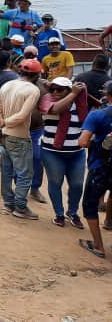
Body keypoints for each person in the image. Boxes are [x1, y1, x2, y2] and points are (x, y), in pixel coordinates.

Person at [0, 59, 44, 219]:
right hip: (19, 136)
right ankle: (20, 207)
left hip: (3, 135)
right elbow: (22, 116)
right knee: (25, 174)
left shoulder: (7, 85)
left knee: (7, 171)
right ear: (36, 74)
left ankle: (8, 204)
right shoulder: (33, 90)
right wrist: (5, 124)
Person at [38, 76, 88, 228]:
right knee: (55, 182)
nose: (54, 92)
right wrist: (73, 94)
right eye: (52, 88)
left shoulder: (80, 103)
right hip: (52, 151)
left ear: (68, 90)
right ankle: (59, 214)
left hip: (76, 152)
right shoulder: (47, 100)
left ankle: (72, 213)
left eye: (59, 89)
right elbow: (57, 109)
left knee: (78, 184)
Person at [77, 81, 112, 258]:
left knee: (90, 204)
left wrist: (98, 143)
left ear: (107, 95)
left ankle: (98, 246)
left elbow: (83, 142)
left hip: (101, 167)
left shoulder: (98, 115)